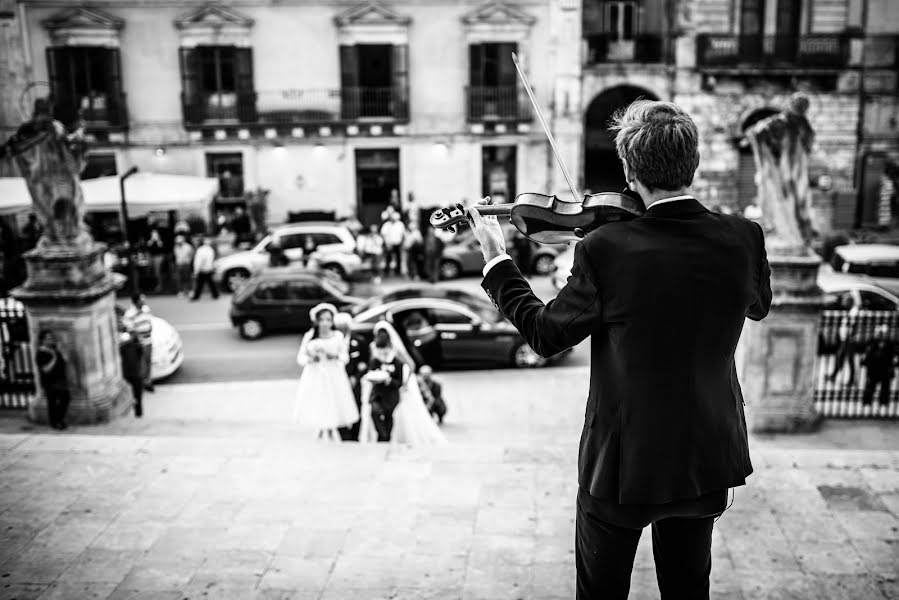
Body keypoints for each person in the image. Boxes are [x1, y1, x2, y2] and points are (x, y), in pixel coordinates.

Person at [467, 99, 772, 598]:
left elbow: (545, 334)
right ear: (692, 162)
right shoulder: (744, 237)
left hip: (623, 463)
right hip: (707, 453)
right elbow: (757, 306)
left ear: (629, 168)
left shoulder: (605, 249)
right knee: (688, 589)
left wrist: (498, 260)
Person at [359, 321, 447, 445]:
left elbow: (410, 365)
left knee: (396, 413)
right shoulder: (374, 347)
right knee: (376, 411)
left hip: (394, 386)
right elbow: (372, 366)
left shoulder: (395, 350)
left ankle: (391, 437)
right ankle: (382, 436)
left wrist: (404, 382)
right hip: (378, 389)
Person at [292, 303, 360, 441]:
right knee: (319, 401)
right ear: (316, 321)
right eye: (322, 320)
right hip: (315, 374)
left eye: (328, 320)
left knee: (334, 401)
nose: (325, 323)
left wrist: (334, 356)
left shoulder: (338, 336)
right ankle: (322, 429)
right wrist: (311, 359)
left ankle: (331, 430)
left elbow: (345, 357)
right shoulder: (310, 336)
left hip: (333, 373)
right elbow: (301, 357)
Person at [334, 312, 367, 441]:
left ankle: (355, 434)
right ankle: (344, 434)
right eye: (339, 326)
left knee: (357, 405)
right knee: (338, 406)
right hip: (338, 380)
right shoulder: (334, 342)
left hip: (354, 380)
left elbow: (365, 362)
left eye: (344, 326)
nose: (342, 329)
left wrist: (356, 377)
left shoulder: (358, 341)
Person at [34, 331, 70, 430]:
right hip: (49, 382)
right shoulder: (40, 353)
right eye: (48, 338)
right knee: (52, 402)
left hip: (60, 380)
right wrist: (54, 357)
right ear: (43, 340)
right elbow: (46, 369)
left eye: (51, 338)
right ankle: (55, 422)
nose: (50, 340)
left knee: (65, 398)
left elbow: (66, 360)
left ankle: (59, 419)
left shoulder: (54, 349)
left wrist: (61, 351)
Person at [123, 294, 154, 392]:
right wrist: (139, 339)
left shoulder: (146, 309)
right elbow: (130, 329)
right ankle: (141, 383)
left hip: (148, 339)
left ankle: (147, 381)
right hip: (139, 342)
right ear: (136, 302)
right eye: (142, 299)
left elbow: (149, 321)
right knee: (141, 363)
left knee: (148, 360)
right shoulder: (129, 314)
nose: (144, 301)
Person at [827, 293, 860, 386]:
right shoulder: (850, 311)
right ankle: (834, 375)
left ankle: (851, 380)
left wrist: (849, 338)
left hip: (849, 340)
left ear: (850, 302)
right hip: (845, 339)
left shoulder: (854, 312)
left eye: (845, 302)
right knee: (840, 357)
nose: (843, 304)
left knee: (849, 359)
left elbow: (852, 326)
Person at [861, 324, 897, 407]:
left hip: (885, 368)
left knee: (885, 386)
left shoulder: (889, 343)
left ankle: (883, 402)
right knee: (871, 385)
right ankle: (867, 401)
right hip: (874, 368)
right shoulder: (873, 342)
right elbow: (868, 354)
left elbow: (893, 355)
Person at [118, 323, 145, 417]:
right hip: (135, 375)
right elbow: (141, 349)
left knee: (134, 396)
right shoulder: (136, 346)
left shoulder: (123, 348)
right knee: (137, 396)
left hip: (128, 375)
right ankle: (138, 413)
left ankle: (137, 412)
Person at [380, 212, 406, 276]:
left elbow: (403, 234)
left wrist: (402, 243)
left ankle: (398, 272)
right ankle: (386, 271)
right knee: (388, 258)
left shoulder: (400, 224)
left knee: (398, 258)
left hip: (398, 243)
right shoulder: (387, 224)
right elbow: (383, 234)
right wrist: (386, 243)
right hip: (389, 244)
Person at [146, 228, 167, 293]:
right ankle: (152, 286)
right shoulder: (150, 241)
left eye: (155, 233)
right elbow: (148, 246)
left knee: (157, 272)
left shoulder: (160, 241)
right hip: (151, 257)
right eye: (153, 233)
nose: (154, 235)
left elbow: (161, 247)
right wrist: (152, 239)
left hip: (158, 257)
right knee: (150, 271)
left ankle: (159, 286)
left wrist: (157, 240)